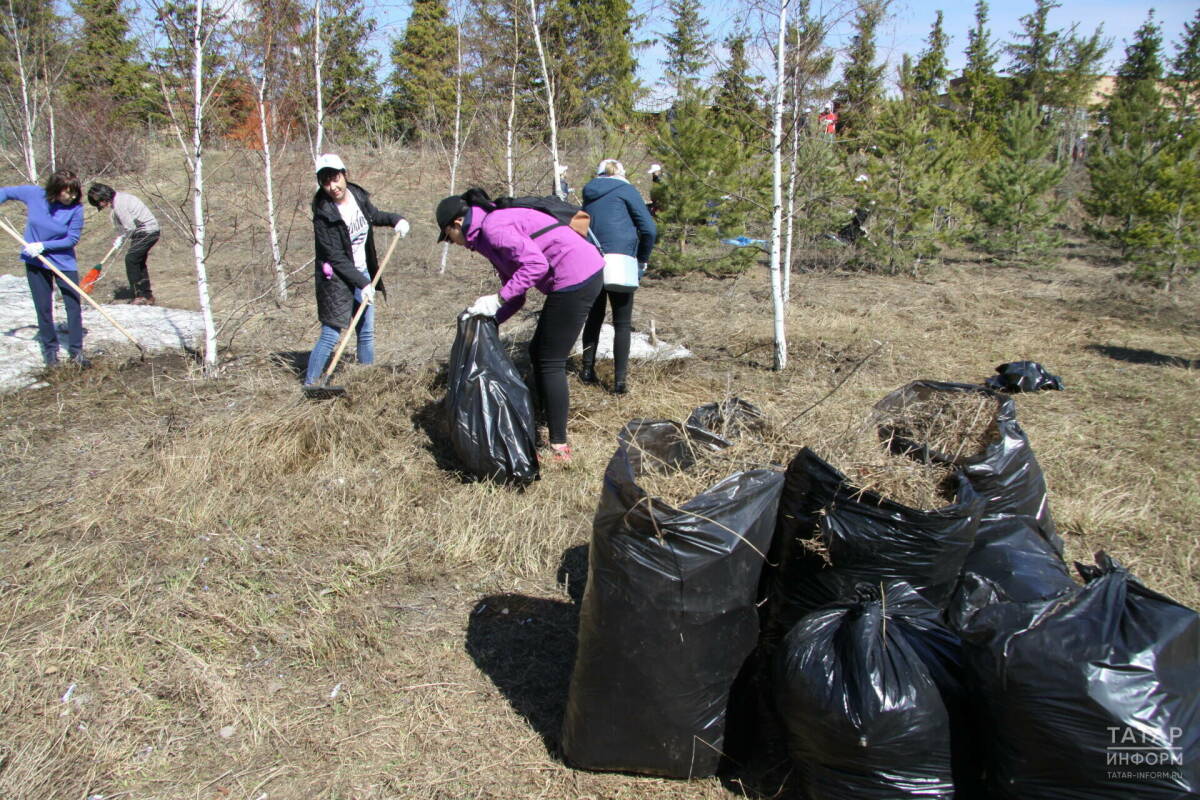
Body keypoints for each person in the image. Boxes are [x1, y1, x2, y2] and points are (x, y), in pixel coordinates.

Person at [435, 187, 603, 463]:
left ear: (457, 223)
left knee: (550, 360)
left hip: (577, 275)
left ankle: (559, 447)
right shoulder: (486, 236)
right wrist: (489, 318)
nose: (452, 243)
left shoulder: (494, 228)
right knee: (538, 352)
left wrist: (497, 299)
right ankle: (544, 419)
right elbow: (517, 294)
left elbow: (536, 266)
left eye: (448, 236)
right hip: (573, 274)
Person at [305, 153, 410, 386]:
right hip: (336, 279)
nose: (333, 187)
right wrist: (363, 284)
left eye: (335, 179)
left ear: (344, 174)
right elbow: (336, 257)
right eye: (326, 182)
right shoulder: (323, 214)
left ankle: (366, 382)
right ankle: (310, 384)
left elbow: (373, 215)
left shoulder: (357, 195)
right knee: (331, 333)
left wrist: (395, 219)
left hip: (362, 273)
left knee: (366, 332)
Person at [579, 159, 656, 395]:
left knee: (594, 318)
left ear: (599, 173)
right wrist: (642, 259)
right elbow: (650, 229)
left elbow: (580, 227)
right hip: (621, 261)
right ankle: (619, 384)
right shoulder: (627, 190)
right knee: (622, 324)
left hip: (590, 260)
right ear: (622, 173)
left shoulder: (588, 192)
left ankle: (586, 372)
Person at [0, 170, 86, 366]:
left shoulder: (76, 209)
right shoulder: (34, 194)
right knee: (43, 308)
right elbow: (5, 192)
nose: (72, 196)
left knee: (73, 306)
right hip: (35, 262)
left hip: (63, 262)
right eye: (68, 192)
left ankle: (76, 352)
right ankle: (50, 351)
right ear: (55, 189)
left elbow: (71, 239)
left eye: (75, 192)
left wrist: (43, 246)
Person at [86, 183, 160, 305]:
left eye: (100, 201)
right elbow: (125, 227)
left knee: (131, 260)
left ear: (105, 195)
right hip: (143, 232)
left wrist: (122, 238)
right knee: (138, 262)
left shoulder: (120, 203)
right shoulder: (118, 201)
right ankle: (147, 296)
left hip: (147, 231)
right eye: (98, 203)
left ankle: (140, 296)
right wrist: (120, 238)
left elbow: (130, 227)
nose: (100, 204)